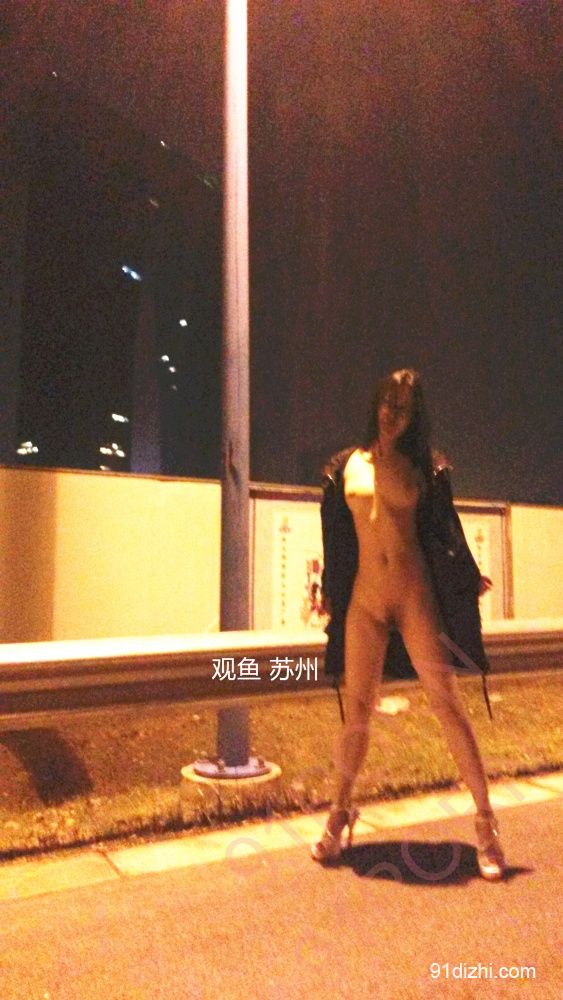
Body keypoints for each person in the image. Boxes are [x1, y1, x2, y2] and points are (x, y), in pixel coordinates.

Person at [311, 368, 505, 880]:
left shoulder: (425, 468)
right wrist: (330, 591)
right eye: (388, 402)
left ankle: (486, 823)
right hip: (365, 604)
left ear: (414, 416)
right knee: (357, 715)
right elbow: (336, 539)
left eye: (404, 407)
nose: (393, 414)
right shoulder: (345, 467)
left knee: (447, 706)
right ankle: (339, 814)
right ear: (375, 403)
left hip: (414, 597)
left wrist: (466, 577)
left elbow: (445, 530)